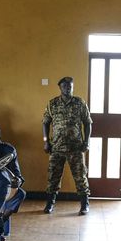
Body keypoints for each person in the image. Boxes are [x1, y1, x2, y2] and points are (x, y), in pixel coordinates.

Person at [42, 76, 92, 215]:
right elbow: (45, 122)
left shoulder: (80, 103)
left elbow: (88, 123)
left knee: (80, 177)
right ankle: (50, 204)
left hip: (75, 147)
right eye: (64, 86)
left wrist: (86, 142)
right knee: (53, 176)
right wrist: (46, 141)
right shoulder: (53, 104)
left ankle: (84, 204)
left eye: (70, 86)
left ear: (72, 87)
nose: (67, 88)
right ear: (60, 87)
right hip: (56, 147)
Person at [0, 125, 26, 223]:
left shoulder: (8, 150)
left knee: (20, 194)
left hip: (3, 185)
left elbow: (16, 172)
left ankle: (1, 221)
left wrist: (18, 181)